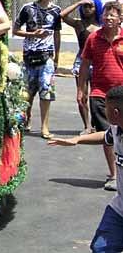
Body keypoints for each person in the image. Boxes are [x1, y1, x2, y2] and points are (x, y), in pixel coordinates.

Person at [49, 86, 123, 252]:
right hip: (119, 208)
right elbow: (105, 136)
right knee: (101, 248)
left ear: (116, 112)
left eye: (107, 108)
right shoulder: (117, 130)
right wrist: (77, 140)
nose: (104, 111)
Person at [78, 2, 123, 192]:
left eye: (113, 15)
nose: (109, 18)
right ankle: (113, 175)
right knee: (108, 133)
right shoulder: (93, 38)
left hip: (122, 94)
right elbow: (84, 64)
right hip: (100, 93)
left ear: (120, 18)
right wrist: (81, 89)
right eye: (106, 15)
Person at [13, 0, 61, 138]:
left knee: (46, 91)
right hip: (29, 57)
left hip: (46, 57)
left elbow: (57, 34)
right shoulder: (28, 9)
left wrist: (56, 58)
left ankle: (44, 127)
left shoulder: (56, 11)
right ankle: (26, 119)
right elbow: (15, 30)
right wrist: (32, 34)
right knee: (27, 92)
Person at [62, 0, 103, 133]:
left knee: (98, 96)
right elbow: (62, 15)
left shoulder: (101, 26)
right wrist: (79, 2)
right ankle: (87, 126)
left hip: (99, 62)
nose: (87, 9)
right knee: (82, 96)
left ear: (96, 7)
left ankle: (99, 124)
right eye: (84, 6)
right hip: (82, 61)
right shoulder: (79, 24)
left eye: (90, 6)